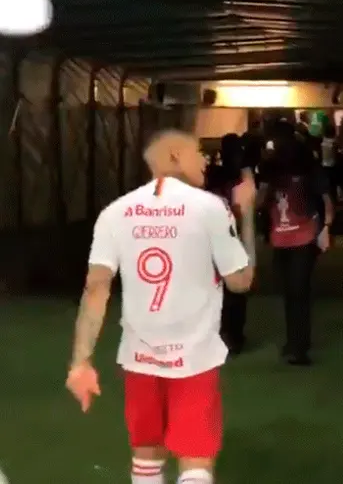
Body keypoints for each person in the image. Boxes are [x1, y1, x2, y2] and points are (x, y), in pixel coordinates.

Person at [65, 129, 257, 484]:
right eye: (198, 152)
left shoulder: (116, 212)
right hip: (195, 359)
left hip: (140, 358)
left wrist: (81, 361)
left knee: (147, 455)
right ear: (173, 157)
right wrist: (247, 215)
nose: (205, 160)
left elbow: (96, 288)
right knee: (195, 461)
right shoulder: (210, 207)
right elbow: (240, 281)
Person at [257, 125, 333, 365]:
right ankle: (294, 341)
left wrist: (326, 228)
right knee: (290, 292)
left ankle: (299, 345)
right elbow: (260, 203)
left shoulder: (309, 171)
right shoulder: (272, 173)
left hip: (304, 238)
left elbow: (326, 200)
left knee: (298, 292)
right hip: (281, 239)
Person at [204, 133, 252, 355]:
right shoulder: (241, 178)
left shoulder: (213, 175)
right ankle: (232, 336)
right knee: (235, 290)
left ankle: (220, 334)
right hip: (232, 237)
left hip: (211, 238)